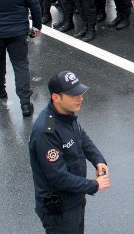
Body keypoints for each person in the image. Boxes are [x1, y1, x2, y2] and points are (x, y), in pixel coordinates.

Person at [29, 71, 110, 233]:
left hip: (75, 198)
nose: (80, 98)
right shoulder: (46, 133)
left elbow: (82, 137)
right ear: (56, 98)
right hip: (60, 211)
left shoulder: (66, 114)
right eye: (74, 95)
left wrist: (98, 159)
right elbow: (59, 177)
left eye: (80, 93)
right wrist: (93, 185)